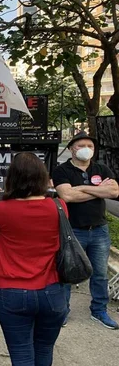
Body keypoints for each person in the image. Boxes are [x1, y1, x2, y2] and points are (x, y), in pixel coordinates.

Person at [0, 152, 69, 366]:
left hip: (13, 293)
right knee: (43, 350)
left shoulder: (3, 209)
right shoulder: (59, 207)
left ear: (12, 178)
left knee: (22, 356)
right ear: (43, 177)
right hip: (53, 291)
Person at [52, 132, 119, 329]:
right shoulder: (62, 170)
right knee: (67, 272)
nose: (86, 149)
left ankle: (99, 311)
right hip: (72, 230)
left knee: (100, 274)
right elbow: (67, 196)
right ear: (72, 148)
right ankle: (62, 311)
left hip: (99, 230)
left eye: (90, 145)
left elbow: (114, 192)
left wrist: (81, 188)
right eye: (81, 145)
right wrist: (96, 190)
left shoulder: (101, 169)